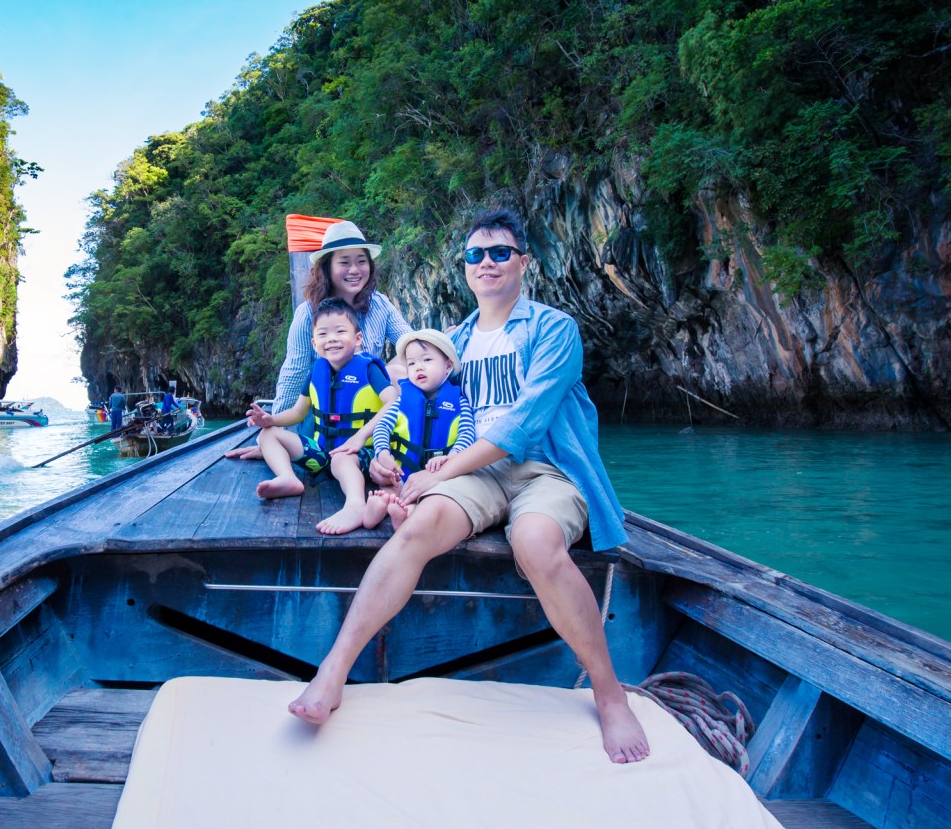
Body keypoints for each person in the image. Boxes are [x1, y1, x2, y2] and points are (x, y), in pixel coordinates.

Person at [287, 208, 651, 765]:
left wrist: (437, 473)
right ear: (464, 268)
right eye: (475, 255)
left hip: (546, 467)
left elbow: (524, 425)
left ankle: (608, 692)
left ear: (523, 262)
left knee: (534, 543)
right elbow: (401, 404)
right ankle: (331, 675)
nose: (487, 263)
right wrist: (383, 453)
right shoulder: (449, 340)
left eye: (500, 252)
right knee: (416, 532)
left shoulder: (553, 328)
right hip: (471, 471)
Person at [226, 220, 411, 460]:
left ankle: (400, 446)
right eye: (344, 262)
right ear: (327, 267)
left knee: (398, 369)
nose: (354, 270)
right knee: (276, 439)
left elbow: (410, 342)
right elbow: (293, 375)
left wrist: (443, 339)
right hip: (323, 419)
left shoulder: (380, 305)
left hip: (370, 419)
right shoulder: (307, 314)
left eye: (361, 261)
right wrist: (274, 436)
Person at [245, 298, 400, 535]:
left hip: (361, 454)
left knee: (342, 459)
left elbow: (394, 400)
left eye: (340, 331)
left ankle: (355, 505)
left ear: (358, 338)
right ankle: (288, 478)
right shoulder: (317, 371)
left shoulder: (369, 369)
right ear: (314, 343)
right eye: (324, 334)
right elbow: (298, 412)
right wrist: (270, 420)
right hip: (321, 453)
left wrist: (359, 438)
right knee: (268, 435)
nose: (332, 339)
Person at [364, 329, 476, 530]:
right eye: (412, 363)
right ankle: (378, 507)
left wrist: (452, 457)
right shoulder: (402, 401)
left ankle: (403, 514)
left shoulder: (459, 403)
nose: (418, 368)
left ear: (448, 365)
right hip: (401, 474)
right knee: (390, 488)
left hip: (435, 479)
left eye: (426, 360)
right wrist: (382, 453)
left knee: (430, 501)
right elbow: (382, 427)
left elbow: (467, 434)